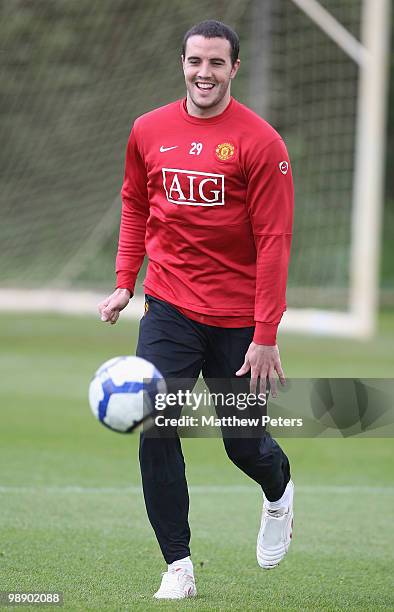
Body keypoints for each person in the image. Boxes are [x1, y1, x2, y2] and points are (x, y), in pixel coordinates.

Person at [98, 19, 294, 600]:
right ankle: (177, 565)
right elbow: (136, 204)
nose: (203, 73)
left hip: (239, 320)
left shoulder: (261, 143)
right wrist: (123, 282)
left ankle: (279, 491)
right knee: (155, 428)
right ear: (181, 63)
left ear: (234, 68)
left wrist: (265, 333)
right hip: (169, 307)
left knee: (243, 443)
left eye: (215, 63)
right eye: (194, 62)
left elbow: (276, 242)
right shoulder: (148, 130)